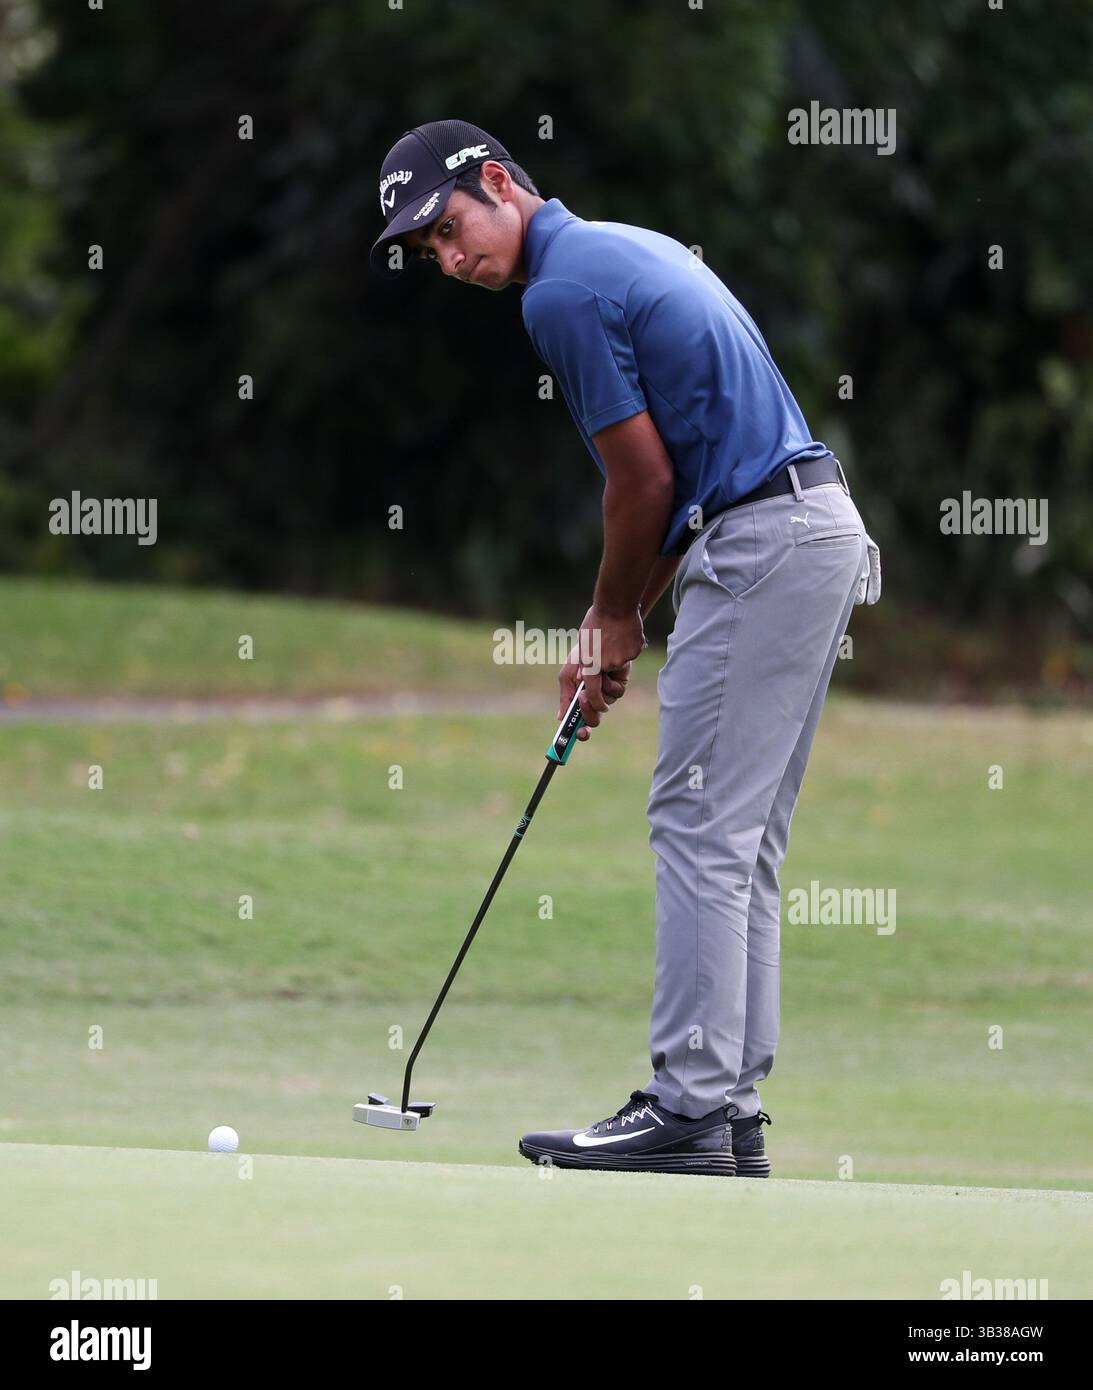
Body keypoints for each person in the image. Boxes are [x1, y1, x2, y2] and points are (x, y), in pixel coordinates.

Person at [371, 119, 879, 1177]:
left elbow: (643, 483)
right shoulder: (623, 246)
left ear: (501, 184)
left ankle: (688, 1103)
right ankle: (728, 1106)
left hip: (762, 543)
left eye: (452, 228)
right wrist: (623, 627)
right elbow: (682, 484)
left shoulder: (560, 292)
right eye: (431, 253)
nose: (451, 259)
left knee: (694, 822)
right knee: (739, 839)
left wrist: (606, 619)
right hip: (810, 529)